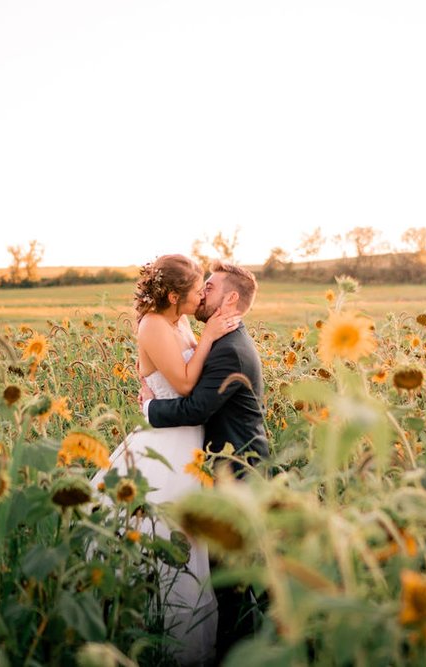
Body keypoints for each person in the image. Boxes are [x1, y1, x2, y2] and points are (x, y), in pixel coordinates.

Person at [95, 254, 239, 666]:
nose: (202, 297)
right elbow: (184, 382)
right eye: (197, 291)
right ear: (174, 295)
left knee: (186, 540)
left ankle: (186, 644)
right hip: (166, 446)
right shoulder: (153, 325)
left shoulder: (178, 320)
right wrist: (210, 334)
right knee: (167, 533)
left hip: (187, 440)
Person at [140, 260, 269, 662]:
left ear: (230, 299)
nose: (202, 294)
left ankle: (239, 650)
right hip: (198, 456)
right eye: (199, 288)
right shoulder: (211, 335)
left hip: (235, 467)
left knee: (229, 575)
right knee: (192, 555)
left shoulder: (230, 348)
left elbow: (193, 405)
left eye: (208, 288)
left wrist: (149, 411)